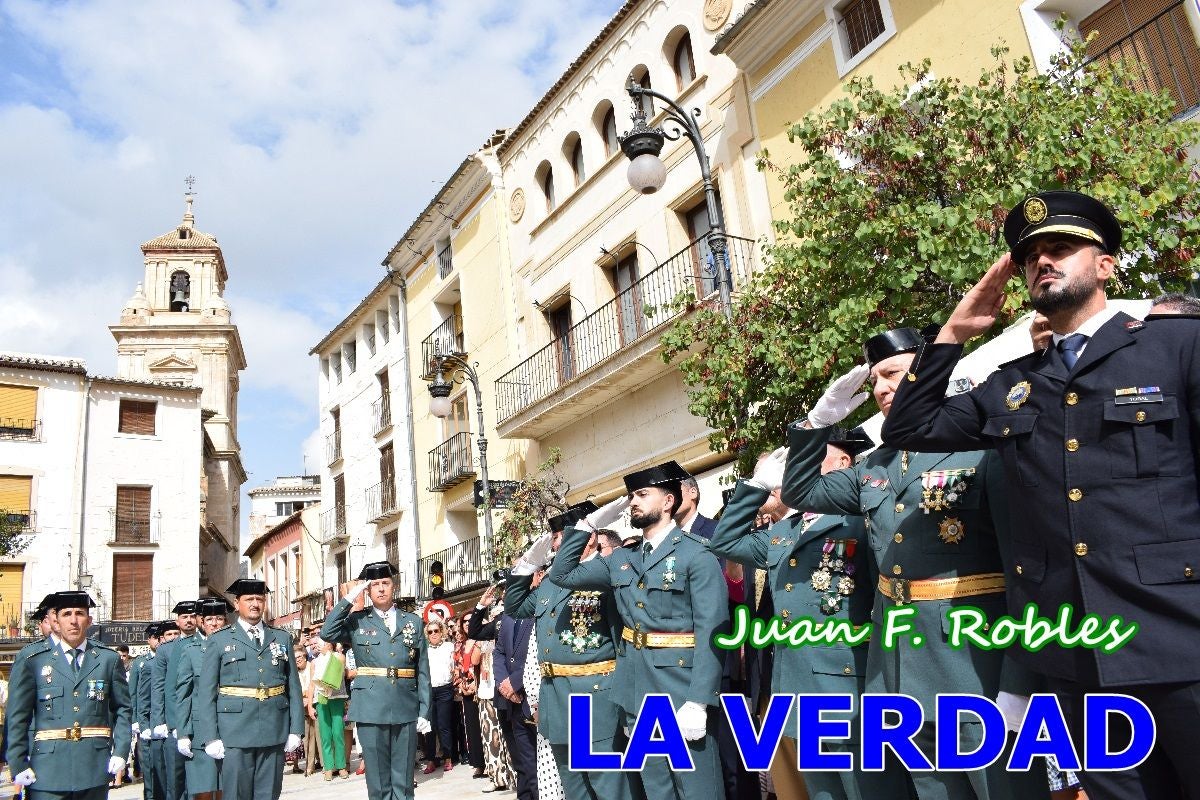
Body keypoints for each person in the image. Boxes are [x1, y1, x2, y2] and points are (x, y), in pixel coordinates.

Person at [880, 189, 1200, 799]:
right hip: (1075, 655)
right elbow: (909, 428)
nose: (1042, 262)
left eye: (1062, 248)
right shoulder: (1012, 384)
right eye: (1030, 258)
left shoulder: (1176, 346)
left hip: (1180, 639)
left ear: (1105, 264)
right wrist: (954, 331)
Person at [782, 329, 1047, 800]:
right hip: (899, 666)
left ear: (929, 377)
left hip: (974, 661)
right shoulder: (875, 466)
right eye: (875, 381)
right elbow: (801, 492)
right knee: (932, 791)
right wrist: (819, 420)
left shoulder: (983, 447)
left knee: (1001, 789)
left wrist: (1021, 679)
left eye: (893, 374)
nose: (882, 388)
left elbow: (1022, 565)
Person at [710, 430, 897, 800]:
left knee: (870, 790)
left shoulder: (860, 519)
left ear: (844, 464)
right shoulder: (783, 533)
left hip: (850, 688)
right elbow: (724, 541)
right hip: (796, 690)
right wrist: (756, 484)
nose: (795, 467)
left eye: (812, 456)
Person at [549, 461, 728, 800]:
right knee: (657, 790)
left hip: (681, 689)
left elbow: (711, 632)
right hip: (637, 689)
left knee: (697, 790)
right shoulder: (622, 558)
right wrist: (588, 524)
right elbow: (562, 574)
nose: (633, 501)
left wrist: (699, 700)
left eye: (643, 494)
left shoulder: (696, 554)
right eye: (631, 495)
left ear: (668, 502)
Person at [507, 503, 636, 800]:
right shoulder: (551, 583)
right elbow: (515, 607)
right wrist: (526, 566)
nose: (554, 543)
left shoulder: (605, 569)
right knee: (575, 788)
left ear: (587, 536)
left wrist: (584, 527)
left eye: (560, 535)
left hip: (593, 697)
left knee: (608, 787)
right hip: (556, 697)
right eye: (554, 538)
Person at [320, 561, 431, 800]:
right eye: (375, 585)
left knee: (403, 779)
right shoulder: (357, 621)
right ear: (368, 591)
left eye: (385, 583)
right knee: (378, 782)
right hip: (370, 706)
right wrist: (350, 598)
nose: (381, 589)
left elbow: (422, 670)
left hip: (405, 704)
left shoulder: (412, 621)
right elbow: (327, 632)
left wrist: (424, 710)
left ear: (394, 586)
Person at [5, 590, 131, 799]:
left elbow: (123, 709)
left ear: (89, 620)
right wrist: (18, 762)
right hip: (47, 771)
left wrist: (121, 751)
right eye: (67, 614)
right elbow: (18, 716)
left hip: (94, 767)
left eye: (80, 614)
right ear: (56, 620)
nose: (73, 621)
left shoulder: (107, 659)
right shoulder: (34, 660)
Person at [193, 580, 303, 800]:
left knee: (269, 794)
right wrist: (210, 736)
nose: (255, 604)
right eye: (249, 599)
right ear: (237, 604)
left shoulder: (281, 638)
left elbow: (293, 686)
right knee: (236, 795)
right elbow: (206, 693)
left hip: (274, 729)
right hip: (234, 733)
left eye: (259, 599)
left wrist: (296, 728)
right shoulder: (220, 639)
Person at [173, 598, 230, 800]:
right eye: (209, 619)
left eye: (219, 619)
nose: (214, 623)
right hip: (200, 732)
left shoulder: (233, 647)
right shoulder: (191, 651)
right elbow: (183, 694)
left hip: (229, 727)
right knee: (203, 790)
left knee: (227, 789)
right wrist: (182, 732)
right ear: (201, 622)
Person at [465, 585, 516, 794]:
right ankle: (497, 776)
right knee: (493, 736)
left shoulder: (517, 619)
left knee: (512, 738)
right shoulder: (494, 627)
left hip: (514, 687)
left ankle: (517, 777)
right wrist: (480, 607)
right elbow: (474, 635)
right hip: (491, 692)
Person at [151, 600, 200, 800]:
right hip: (174, 722)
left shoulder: (206, 643)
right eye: (184, 617)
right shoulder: (166, 650)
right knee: (175, 780)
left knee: (199, 781)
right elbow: (159, 687)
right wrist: (160, 720)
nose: (188, 620)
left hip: (199, 720)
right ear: (176, 621)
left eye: (191, 616)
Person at [492, 606, 537, 800]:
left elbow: (542, 651)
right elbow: (499, 652)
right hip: (513, 700)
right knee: (525, 764)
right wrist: (505, 685)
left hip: (536, 696)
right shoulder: (509, 616)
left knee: (543, 764)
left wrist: (516, 682)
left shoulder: (540, 607)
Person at [306, 636, 348, 780]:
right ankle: (329, 767)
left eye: (321, 642)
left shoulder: (339, 657)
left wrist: (330, 651)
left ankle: (341, 766)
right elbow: (311, 685)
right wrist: (311, 706)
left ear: (330, 643)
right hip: (321, 699)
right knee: (325, 735)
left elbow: (341, 669)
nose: (318, 645)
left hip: (337, 698)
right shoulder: (314, 662)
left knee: (337, 733)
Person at [129, 623, 160, 800]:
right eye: (154, 637)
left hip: (160, 721)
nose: (158, 641)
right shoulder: (140, 663)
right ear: (149, 640)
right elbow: (132, 693)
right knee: (147, 766)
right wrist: (134, 720)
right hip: (145, 721)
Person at [452, 612, 484, 779]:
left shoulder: (482, 638)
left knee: (485, 727)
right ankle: (478, 764)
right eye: (464, 621)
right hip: (466, 690)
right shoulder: (459, 645)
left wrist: (476, 683)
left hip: (482, 687)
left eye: (471, 621)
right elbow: (456, 668)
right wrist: (461, 686)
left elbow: (483, 663)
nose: (467, 623)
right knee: (471, 728)